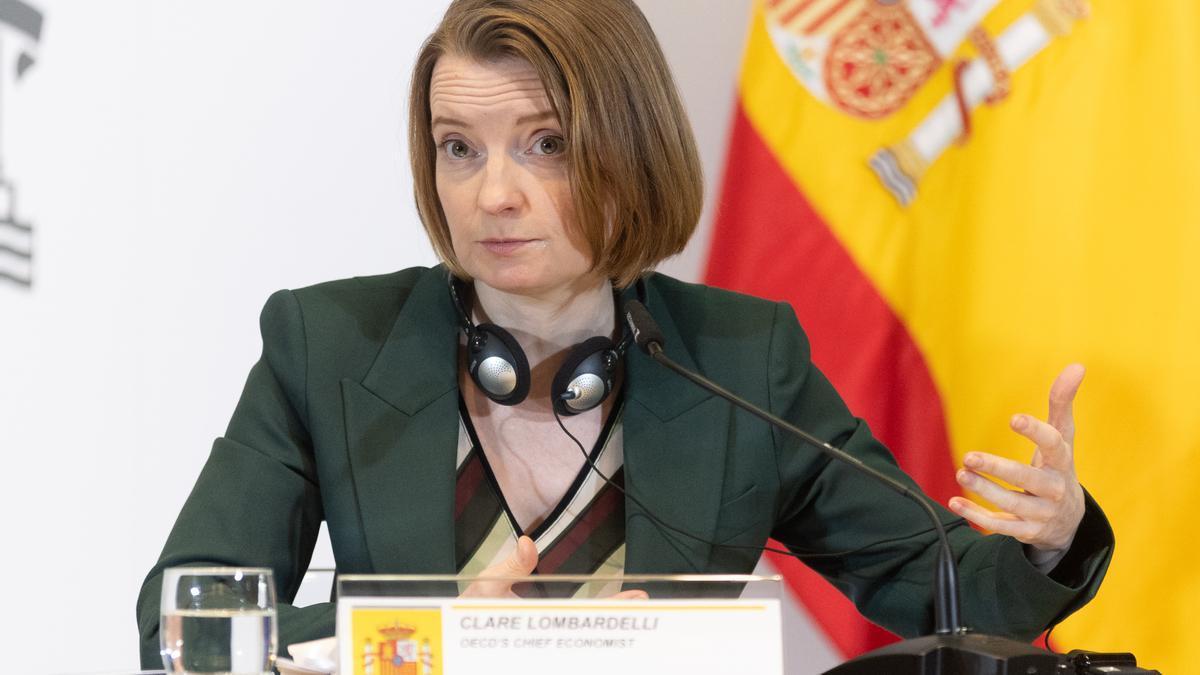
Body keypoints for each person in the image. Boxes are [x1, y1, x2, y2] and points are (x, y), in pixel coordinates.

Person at [137, 0, 1112, 667]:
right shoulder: (330, 343)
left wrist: (1048, 540)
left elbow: (947, 591)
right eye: (457, 149)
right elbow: (181, 625)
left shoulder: (741, 361)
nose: (494, 194)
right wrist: (418, 643)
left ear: (629, 146)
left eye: (545, 144)